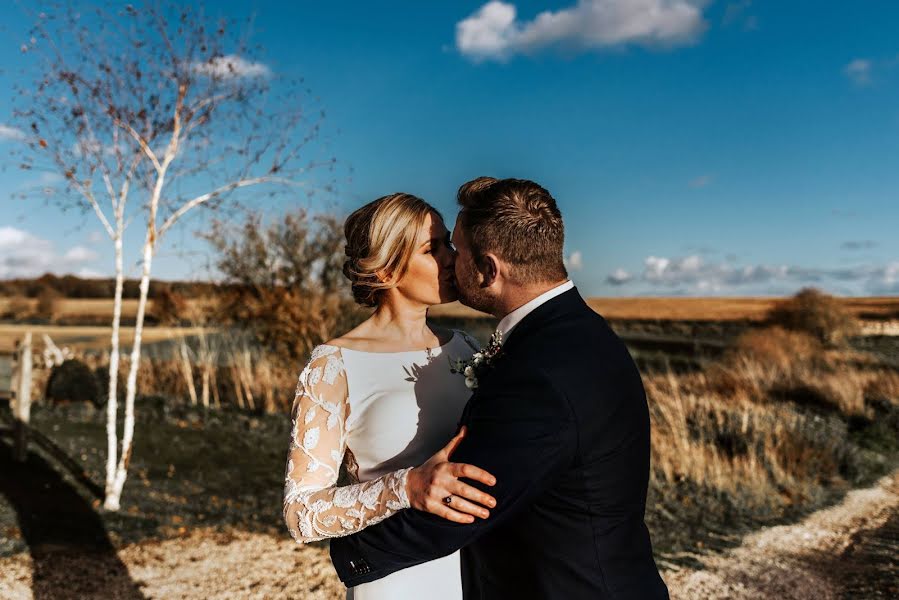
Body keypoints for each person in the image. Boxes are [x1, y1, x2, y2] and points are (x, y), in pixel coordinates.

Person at [329, 177, 669, 599]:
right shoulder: (583, 333)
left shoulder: (537, 370)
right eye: (438, 248)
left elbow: (472, 499)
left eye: (456, 248)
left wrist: (351, 553)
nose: (452, 261)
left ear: (488, 270)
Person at [283, 192, 497, 600]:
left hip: (480, 570)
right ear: (385, 271)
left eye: (448, 243)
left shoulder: (467, 348)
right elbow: (301, 514)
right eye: (431, 249)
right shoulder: (333, 366)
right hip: (396, 578)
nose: (452, 257)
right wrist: (407, 487)